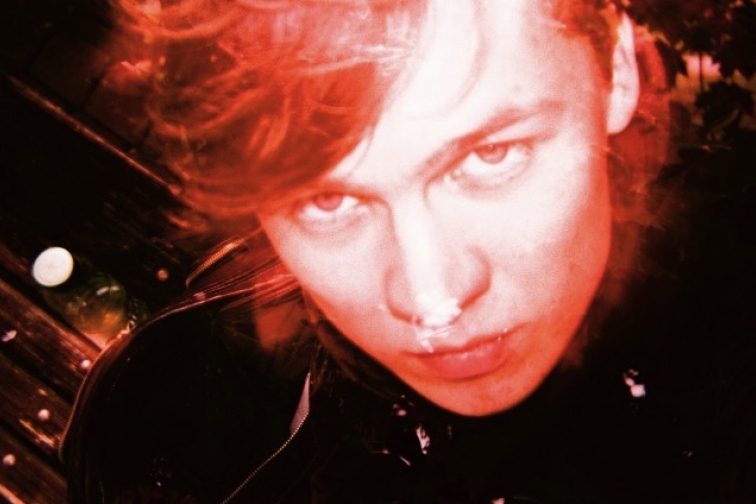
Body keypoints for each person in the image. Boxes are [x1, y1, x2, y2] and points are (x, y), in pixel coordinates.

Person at [62, 0, 756, 502]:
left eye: (491, 155)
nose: (432, 299)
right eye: (326, 200)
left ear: (618, 73)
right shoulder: (158, 416)